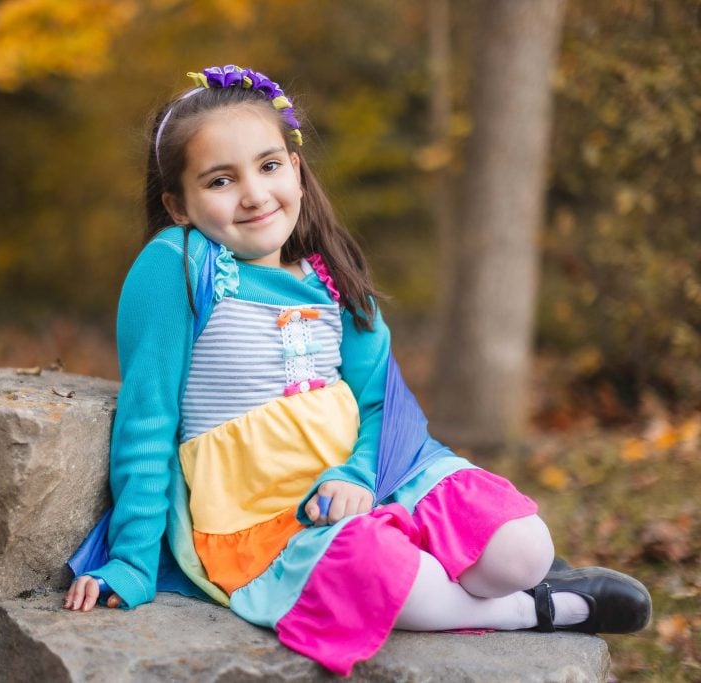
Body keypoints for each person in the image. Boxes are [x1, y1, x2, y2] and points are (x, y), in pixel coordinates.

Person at [62, 64, 650, 675]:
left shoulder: (329, 274)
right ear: (178, 205)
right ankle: (537, 611)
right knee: (390, 579)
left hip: (372, 477)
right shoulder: (179, 266)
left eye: (269, 166)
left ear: (296, 167)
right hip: (269, 518)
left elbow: (377, 403)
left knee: (523, 550)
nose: (255, 194)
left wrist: (360, 476)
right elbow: (147, 417)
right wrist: (130, 560)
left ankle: (516, 579)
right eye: (220, 179)